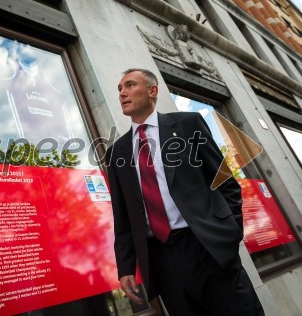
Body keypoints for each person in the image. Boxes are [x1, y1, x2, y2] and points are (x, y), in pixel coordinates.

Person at [106, 68, 264, 315]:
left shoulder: (188, 125)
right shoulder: (116, 152)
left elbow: (225, 183)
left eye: (129, 85)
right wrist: (125, 267)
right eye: (119, 89)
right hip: (162, 261)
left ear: (152, 90)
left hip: (208, 248)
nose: (122, 93)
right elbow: (123, 215)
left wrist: (231, 233)